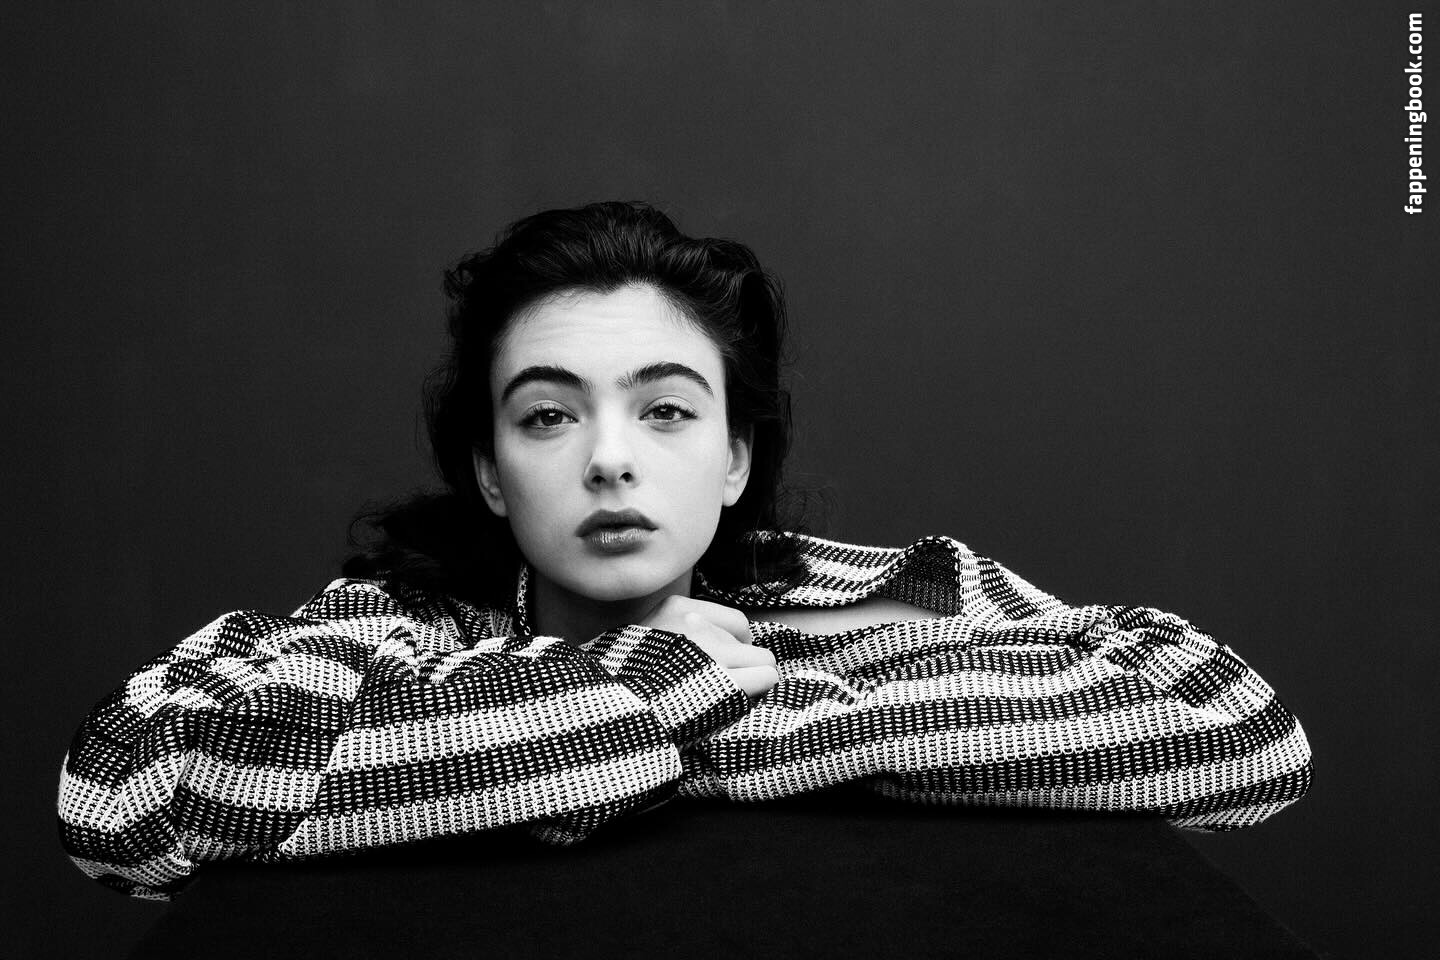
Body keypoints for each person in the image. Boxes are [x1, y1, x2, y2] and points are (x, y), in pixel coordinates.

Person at [57, 201, 1314, 900]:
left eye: (664, 410)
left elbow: (1237, 734)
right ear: (490, 473)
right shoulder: (394, 625)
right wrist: (648, 687)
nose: (610, 459)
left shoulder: (879, 591)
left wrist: (756, 715)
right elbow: (120, 798)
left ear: (733, 460)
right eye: (549, 417)